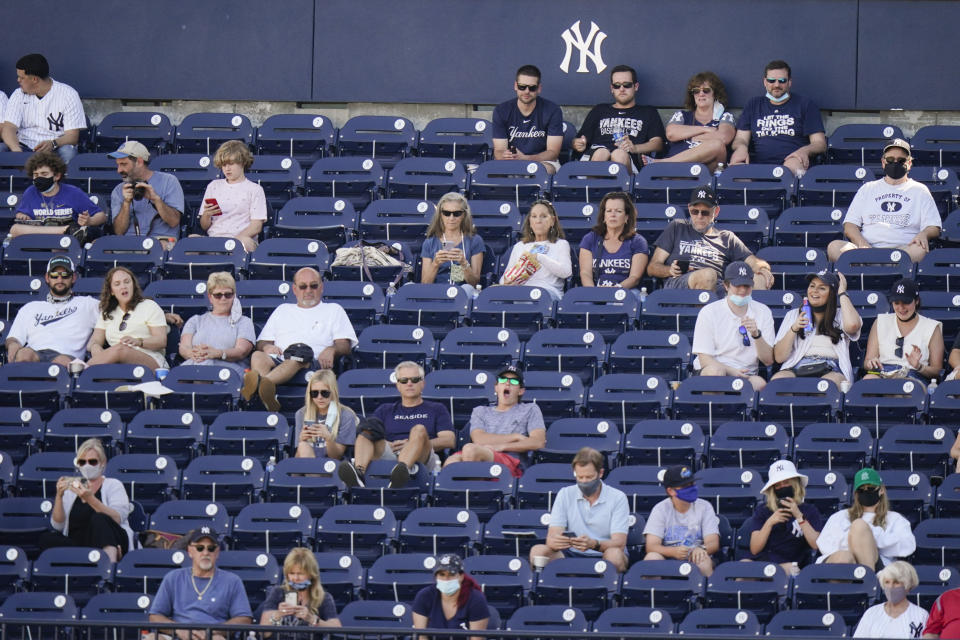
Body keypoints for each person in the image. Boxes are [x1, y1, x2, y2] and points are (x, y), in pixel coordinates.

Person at [242, 268, 358, 412]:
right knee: (257, 355)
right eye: (303, 286)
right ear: (295, 289)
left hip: (312, 362)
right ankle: (266, 392)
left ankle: (260, 385)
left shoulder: (334, 310)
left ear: (321, 287)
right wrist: (266, 347)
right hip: (279, 358)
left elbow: (344, 345)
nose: (308, 290)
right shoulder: (282, 309)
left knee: (296, 357)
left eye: (313, 286)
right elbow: (261, 343)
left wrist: (332, 349)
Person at [338, 361, 455, 489]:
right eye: (404, 380)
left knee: (419, 429)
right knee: (366, 433)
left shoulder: (437, 408)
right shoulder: (385, 410)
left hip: (423, 455)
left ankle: (401, 472)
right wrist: (388, 444)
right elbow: (372, 432)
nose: (409, 383)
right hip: (392, 451)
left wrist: (413, 444)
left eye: (415, 379)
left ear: (423, 384)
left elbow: (449, 440)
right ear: (397, 385)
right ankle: (359, 474)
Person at [827, 139, 941, 263]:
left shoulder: (920, 190)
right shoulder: (868, 188)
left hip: (903, 251)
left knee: (919, 249)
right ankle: (875, 264)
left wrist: (924, 234)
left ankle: (877, 266)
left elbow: (934, 226)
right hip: (866, 249)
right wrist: (862, 244)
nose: (895, 163)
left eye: (901, 160)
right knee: (835, 247)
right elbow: (850, 225)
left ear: (909, 163)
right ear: (883, 162)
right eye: (890, 160)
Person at [647, 186, 774, 294]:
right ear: (689, 208)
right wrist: (669, 270)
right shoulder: (677, 227)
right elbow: (652, 267)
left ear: (716, 211)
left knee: (759, 279)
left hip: (718, 288)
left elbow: (753, 261)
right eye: (694, 211)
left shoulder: (726, 237)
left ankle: (751, 322)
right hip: (680, 284)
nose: (699, 216)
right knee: (708, 275)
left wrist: (762, 269)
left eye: (705, 212)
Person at [528, 447, 629, 572]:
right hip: (571, 552)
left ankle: (611, 590)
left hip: (604, 552)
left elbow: (619, 543)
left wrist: (594, 544)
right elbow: (552, 537)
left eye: (589, 477)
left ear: (600, 473)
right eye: (580, 477)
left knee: (614, 555)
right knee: (538, 551)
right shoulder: (565, 494)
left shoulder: (618, 497)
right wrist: (557, 541)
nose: (584, 481)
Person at [39, 438, 133, 563]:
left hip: (112, 539)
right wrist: (59, 496)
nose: (87, 465)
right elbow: (58, 525)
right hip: (80, 544)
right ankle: (83, 557)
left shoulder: (113, 484)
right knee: (46, 538)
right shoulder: (72, 488)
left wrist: (90, 499)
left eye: (92, 462)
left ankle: (109, 565)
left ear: (103, 463)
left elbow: (118, 518)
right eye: (82, 462)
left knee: (99, 518)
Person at [149, 526, 252, 640]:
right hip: (178, 636)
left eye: (211, 548)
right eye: (199, 548)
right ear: (190, 551)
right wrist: (179, 630)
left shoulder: (232, 580)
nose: (205, 552)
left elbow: (244, 618)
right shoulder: (173, 577)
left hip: (214, 636)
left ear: (217, 552)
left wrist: (212, 632)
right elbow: (155, 616)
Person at [443, 365, 546, 477]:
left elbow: (538, 442)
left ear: (521, 391)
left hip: (511, 461)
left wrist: (501, 447)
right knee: (450, 462)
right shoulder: (480, 411)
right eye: (502, 380)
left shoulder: (530, 409)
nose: (507, 383)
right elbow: (479, 439)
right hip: (479, 453)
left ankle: (476, 492)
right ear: (496, 387)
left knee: (470, 450)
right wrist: (515, 437)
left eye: (514, 381)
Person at [729, 59, 827, 175]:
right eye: (771, 80)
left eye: (782, 81)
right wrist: (741, 148)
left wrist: (804, 151)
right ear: (765, 82)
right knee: (735, 172)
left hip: (793, 162)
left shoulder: (805, 104)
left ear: (789, 82)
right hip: (758, 164)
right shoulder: (753, 104)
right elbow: (741, 139)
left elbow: (820, 143)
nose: (776, 85)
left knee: (790, 167)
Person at [691, 261, 775, 391]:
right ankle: (713, 410)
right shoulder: (709, 311)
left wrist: (756, 334)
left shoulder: (763, 311)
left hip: (746, 373)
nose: (742, 290)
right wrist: (732, 371)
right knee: (716, 372)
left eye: (747, 286)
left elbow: (768, 360)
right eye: (737, 285)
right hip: (714, 368)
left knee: (760, 384)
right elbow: (704, 359)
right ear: (726, 285)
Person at [771, 270, 862, 386]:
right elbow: (779, 357)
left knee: (828, 385)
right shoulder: (793, 315)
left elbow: (853, 326)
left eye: (822, 288)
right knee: (777, 382)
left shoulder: (841, 314)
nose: (814, 291)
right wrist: (794, 328)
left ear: (832, 294)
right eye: (812, 286)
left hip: (831, 367)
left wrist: (842, 293)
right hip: (797, 365)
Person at [5, 256, 99, 367]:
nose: (60, 280)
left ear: (73, 277)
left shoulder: (88, 304)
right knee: (24, 353)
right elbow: (13, 337)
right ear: (47, 278)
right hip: (35, 355)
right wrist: (12, 344)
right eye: (54, 275)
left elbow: (114, 314)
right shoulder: (30, 308)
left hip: (67, 359)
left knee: (60, 361)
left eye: (65, 275)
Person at [571, 64, 665, 172]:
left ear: (636, 86)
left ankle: (623, 189)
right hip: (597, 156)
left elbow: (658, 143)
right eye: (617, 85)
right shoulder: (599, 110)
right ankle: (593, 188)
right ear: (612, 88)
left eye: (627, 85)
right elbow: (578, 140)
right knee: (601, 152)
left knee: (619, 154)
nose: (621, 89)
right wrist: (578, 144)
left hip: (630, 161)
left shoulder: (648, 112)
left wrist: (635, 148)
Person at [817, 467, 916, 568]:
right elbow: (824, 543)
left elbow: (908, 545)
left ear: (881, 490)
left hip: (877, 565)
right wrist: (856, 540)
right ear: (856, 494)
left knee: (859, 526)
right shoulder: (840, 516)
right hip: (841, 561)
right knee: (844, 557)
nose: (866, 492)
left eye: (870, 488)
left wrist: (870, 537)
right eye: (861, 490)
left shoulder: (895, 519)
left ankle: (867, 580)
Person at [740, 460, 823, 573]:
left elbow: (816, 545)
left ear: (795, 483)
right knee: (742, 566)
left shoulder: (809, 510)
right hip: (762, 562)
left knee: (789, 569)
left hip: (790, 564)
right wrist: (769, 523)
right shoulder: (763, 510)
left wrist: (799, 516)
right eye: (777, 485)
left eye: (786, 482)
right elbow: (755, 549)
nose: (782, 487)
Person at [0, 54, 85, 163]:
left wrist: (53, 143)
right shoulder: (18, 94)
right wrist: (16, 151)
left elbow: (72, 137)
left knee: (68, 152)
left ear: (34, 79)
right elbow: (8, 129)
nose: (18, 80)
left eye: (22, 77)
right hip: (23, 146)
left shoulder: (68, 94)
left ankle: (63, 180)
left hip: (55, 147)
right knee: (1, 148)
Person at [643, 464, 720, 577]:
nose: (691, 488)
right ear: (671, 491)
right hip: (667, 557)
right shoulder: (660, 509)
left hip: (696, 555)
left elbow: (713, 542)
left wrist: (701, 548)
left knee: (702, 561)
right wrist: (672, 552)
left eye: (692, 483)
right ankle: (652, 594)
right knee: (651, 559)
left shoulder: (705, 506)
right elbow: (651, 546)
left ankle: (707, 593)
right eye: (685, 486)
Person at [86, 266, 169, 370]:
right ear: (111, 291)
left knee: (121, 349)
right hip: (116, 364)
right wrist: (95, 347)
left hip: (151, 360)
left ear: (133, 285)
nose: (123, 286)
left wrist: (138, 341)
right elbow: (94, 341)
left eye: (127, 282)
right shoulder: (107, 312)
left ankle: (81, 371)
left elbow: (161, 341)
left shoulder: (149, 305)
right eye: (117, 284)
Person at [9, 151, 106, 240]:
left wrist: (90, 221)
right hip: (39, 238)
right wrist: (22, 216)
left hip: (64, 242)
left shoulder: (73, 192)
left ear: (57, 176)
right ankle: (66, 230)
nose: (39, 178)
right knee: (15, 229)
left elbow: (101, 216)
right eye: (36, 175)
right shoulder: (30, 192)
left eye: (44, 174)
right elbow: (20, 214)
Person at [862, 278, 944, 384]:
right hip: (884, 373)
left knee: (905, 388)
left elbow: (937, 371)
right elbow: (867, 362)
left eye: (906, 302)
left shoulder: (931, 327)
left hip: (913, 376)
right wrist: (871, 363)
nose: (901, 308)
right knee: (868, 381)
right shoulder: (880, 322)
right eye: (896, 303)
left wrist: (919, 367)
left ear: (917, 301)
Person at [177, 271, 255, 375]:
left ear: (234, 296)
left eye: (228, 294)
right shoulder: (195, 320)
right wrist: (193, 354)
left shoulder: (244, 322)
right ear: (210, 297)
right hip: (196, 364)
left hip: (229, 371)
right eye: (218, 295)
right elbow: (184, 347)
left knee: (204, 364)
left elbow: (241, 351)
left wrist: (217, 353)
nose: (223, 298)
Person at [195, 140, 267, 252]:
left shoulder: (255, 189)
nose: (227, 168)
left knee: (245, 242)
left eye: (231, 164)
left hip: (241, 239)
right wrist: (207, 215)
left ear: (242, 162)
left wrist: (233, 242)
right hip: (214, 239)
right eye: (224, 165)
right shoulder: (213, 186)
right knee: (190, 241)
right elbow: (205, 226)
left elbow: (256, 226)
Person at [108, 141, 184, 246]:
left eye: (124, 164)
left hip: (161, 240)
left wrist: (155, 199)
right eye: (118, 165)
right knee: (96, 246)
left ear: (139, 162)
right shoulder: (118, 190)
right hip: (129, 242)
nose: (119, 170)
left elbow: (174, 221)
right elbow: (119, 232)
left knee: (162, 246)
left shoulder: (168, 181)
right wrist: (126, 203)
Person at [491, 64, 563, 174]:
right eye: (522, 87)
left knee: (544, 170)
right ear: (515, 86)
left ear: (539, 88)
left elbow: (553, 153)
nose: (526, 91)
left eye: (532, 88)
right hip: (511, 162)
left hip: (543, 162)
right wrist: (505, 155)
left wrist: (526, 158)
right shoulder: (502, 110)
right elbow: (499, 151)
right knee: (490, 172)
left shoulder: (552, 110)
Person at [660, 71, 736, 171]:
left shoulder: (725, 116)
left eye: (706, 90)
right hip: (676, 170)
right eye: (696, 91)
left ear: (715, 94)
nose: (701, 94)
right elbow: (671, 134)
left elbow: (723, 138)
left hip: (706, 170)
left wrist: (688, 135)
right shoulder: (682, 115)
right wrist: (706, 129)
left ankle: (662, 163)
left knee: (717, 144)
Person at [499, 199, 571, 301]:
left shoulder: (561, 244)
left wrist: (539, 257)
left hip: (547, 293)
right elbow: (503, 280)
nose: (538, 221)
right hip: (521, 292)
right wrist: (510, 281)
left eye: (543, 216)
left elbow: (566, 272)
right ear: (530, 222)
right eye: (534, 216)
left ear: (552, 221)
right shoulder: (520, 246)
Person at [577, 191, 648, 291]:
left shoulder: (638, 241)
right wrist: (593, 293)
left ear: (627, 217)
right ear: (604, 216)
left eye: (618, 211)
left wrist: (615, 290)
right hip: (596, 291)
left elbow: (634, 278)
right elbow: (585, 273)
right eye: (609, 211)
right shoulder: (590, 239)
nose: (613, 215)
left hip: (626, 292)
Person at [259, 547, 341, 629]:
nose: (295, 578)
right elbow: (263, 632)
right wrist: (277, 615)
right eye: (291, 573)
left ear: (311, 574)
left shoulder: (324, 597)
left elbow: (337, 629)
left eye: (300, 574)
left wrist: (312, 619)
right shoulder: (278, 592)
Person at [412, 553, 489, 639]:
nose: (446, 579)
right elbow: (422, 637)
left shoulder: (476, 599)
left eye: (451, 574)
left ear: (461, 576)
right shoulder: (424, 596)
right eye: (442, 575)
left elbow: (476, 639)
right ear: (436, 576)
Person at [420, 193, 485, 289]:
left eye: (457, 214)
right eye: (446, 213)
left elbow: (474, 283)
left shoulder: (475, 240)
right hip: (437, 291)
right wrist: (435, 264)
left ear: (464, 215)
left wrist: (463, 263)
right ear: (440, 215)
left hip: (463, 292)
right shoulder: (430, 242)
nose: (451, 218)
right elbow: (424, 285)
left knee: (467, 289)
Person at [294, 369, 358, 461]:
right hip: (306, 467)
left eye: (325, 393)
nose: (319, 397)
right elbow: (297, 460)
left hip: (331, 468)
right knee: (303, 446)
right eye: (314, 393)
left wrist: (328, 438)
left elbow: (337, 457)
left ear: (333, 392)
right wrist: (301, 440)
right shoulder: (301, 414)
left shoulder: (346, 415)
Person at [854, 561, 928, 639]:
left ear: (908, 585)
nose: (891, 586)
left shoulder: (921, 615)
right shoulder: (871, 613)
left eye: (896, 582)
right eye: (887, 582)